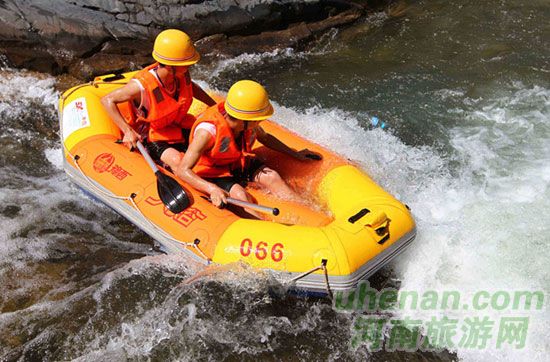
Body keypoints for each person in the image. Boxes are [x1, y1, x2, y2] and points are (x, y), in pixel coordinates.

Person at [175, 80, 321, 214]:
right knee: (240, 195)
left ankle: (310, 214)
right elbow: (183, 170)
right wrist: (211, 189)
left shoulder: (247, 124)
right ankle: (266, 232)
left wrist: (295, 154)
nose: (262, 121)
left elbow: (265, 138)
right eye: (259, 118)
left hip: (239, 162)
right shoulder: (207, 132)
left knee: (272, 177)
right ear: (245, 120)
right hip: (215, 173)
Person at [101, 29, 216, 170]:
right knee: (180, 162)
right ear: (169, 66)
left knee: (213, 148)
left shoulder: (180, 74)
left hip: (178, 126)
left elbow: (192, 87)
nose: (189, 67)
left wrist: (214, 106)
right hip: (152, 138)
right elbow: (107, 100)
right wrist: (127, 131)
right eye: (185, 65)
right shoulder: (141, 87)